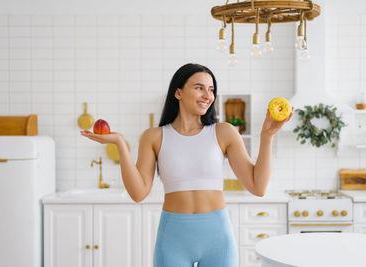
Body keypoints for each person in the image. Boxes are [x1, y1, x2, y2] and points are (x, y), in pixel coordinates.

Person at [80, 63, 292, 267]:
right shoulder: (154, 136)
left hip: (218, 238)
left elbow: (258, 187)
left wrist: (267, 136)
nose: (207, 95)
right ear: (178, 92)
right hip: (173, 240)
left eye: (211, 89)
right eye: (199, 87)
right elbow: (138, 193)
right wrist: (119, 143)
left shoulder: (224, 132)